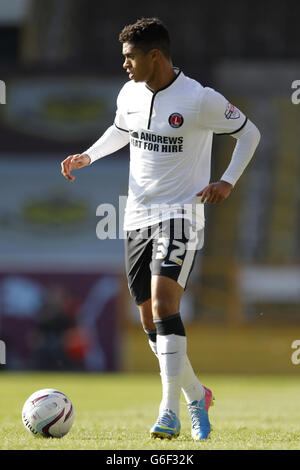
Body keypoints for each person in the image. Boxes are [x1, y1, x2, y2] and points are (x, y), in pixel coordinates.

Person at [61, 17, 260, 440]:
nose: (125, 65)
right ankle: (195, 394)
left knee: (164, 303)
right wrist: (88, 156)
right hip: (135, 216)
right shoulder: (129, 93)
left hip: (181, 214)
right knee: (150, 322)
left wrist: (227, 181)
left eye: (130, 57)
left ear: (155, 55)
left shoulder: (199, 98)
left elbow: (250, 133)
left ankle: (168, 412)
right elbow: (121, 129)